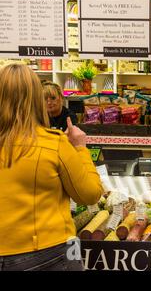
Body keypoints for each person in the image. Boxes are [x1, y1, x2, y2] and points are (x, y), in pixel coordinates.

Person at [0, 64, 103, 271]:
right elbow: (90, 194)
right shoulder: (53, 143)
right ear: (36, 99)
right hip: (48, 252)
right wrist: (80, 148)